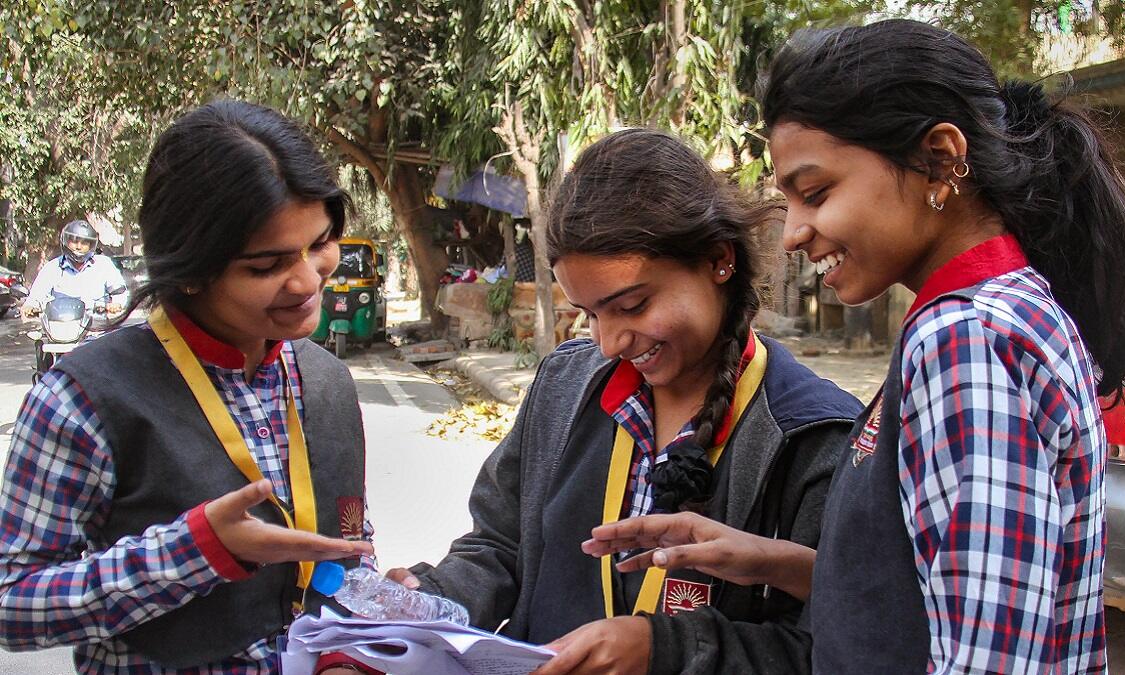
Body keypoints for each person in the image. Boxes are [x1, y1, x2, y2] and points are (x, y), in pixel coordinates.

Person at [583, 18, 1125, 674]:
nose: (794, 232)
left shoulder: (965, 340)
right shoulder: (986, 314)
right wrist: (768, 560)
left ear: (940, 160)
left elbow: (990, 656)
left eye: (816, 193)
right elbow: (929, 593)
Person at [384, 128, 862, 674]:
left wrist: (664, 650)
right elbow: (499, 543)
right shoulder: (566, 385)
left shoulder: (815, 437)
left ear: (718, 260)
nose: (610, 342)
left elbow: (824, 645)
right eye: (589, 314)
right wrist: (432, 599)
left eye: (632, 306)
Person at [0, 100, 382, 675]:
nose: (308, 280)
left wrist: (363, 633)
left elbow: (350, 542)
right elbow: (12, 604)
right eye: (267, 266)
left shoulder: (328, 381)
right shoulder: (82, 402)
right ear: (191, 270)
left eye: (320, 243)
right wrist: (195, 551)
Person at [22, 219, 128, 318]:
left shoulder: (104, 265)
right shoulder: (52, 267)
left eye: (84, 243)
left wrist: (116, 304)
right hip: (61, 325)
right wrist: (30, 306)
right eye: (74, 241)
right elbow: (36, 296)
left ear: (91, 245)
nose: (79, 246)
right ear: (66, 242)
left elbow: (120, 293)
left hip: (97, 326)